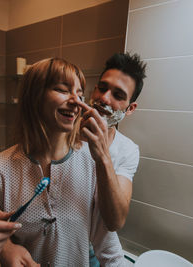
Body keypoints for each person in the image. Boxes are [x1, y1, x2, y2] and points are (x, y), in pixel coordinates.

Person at [0, 58, 125, 266]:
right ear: (33, 96)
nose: (77, 101)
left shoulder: (92, 164)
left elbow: (109, 248)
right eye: (63, 90)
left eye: (80, 94)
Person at [78, 52, 146, 266]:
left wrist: (102, 156)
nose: (104, 98)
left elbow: (115, 220)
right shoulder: (63, 133)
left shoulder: (127, 150)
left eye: (118, 95)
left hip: (96, 251)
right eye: (102, 87)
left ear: (130, 108)